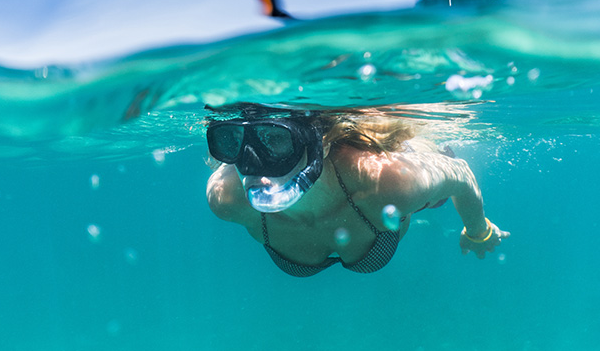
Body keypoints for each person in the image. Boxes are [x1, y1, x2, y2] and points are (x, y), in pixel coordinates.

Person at [205, 104, 509, 277]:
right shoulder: (226, 198)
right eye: (231, 142)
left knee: (433, 196)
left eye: (276, 140)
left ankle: (433, 151)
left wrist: (477, 231)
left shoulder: (387, 181)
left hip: (390, 172)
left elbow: (462, 174)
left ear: (320, 144)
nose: (251, 163)